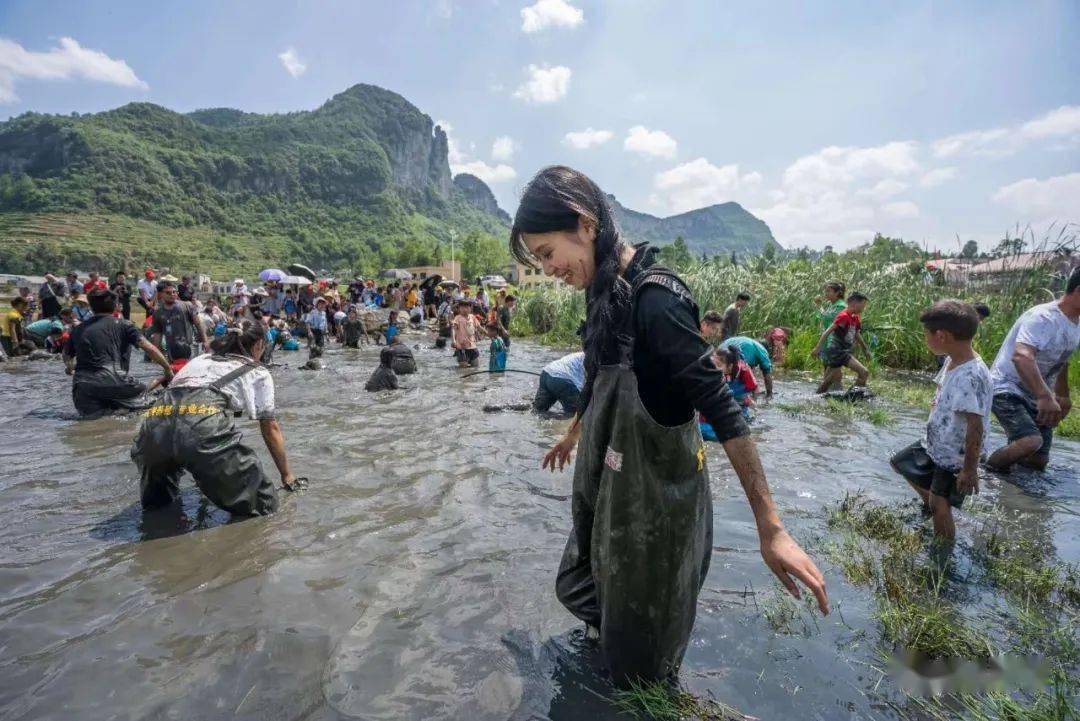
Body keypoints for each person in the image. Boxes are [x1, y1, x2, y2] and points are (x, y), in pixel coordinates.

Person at [511, 165, 826, 685]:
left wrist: (771, 528)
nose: (548, 270)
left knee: (644, 658)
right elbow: (596, 370)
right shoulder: (602, 288)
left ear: (585, 225)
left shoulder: (657, 300)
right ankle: (612, 641)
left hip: (658, 497)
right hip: (610, 475)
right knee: (578, 582)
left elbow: (722, 407)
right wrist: (574, 430)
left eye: (547, 254)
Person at [131, 321, 304, 517]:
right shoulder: (258, 371)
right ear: (258, 345)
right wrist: (287, 475)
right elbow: (270, 427)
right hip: (200, 428)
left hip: (152, 428)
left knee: (157, 509)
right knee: (264, 504)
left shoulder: (199, 360)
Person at [890, 301, 991, 540]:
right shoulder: (951, 359)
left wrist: (969, 469)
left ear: (942, 336)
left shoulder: (971, 375)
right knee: (900, 462)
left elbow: (976, 427)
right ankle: (934, 504)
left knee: (940, 503)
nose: (925, 340)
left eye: (926, 335)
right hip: (935, 443)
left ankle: (943, 553)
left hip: (954, 455)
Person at [987, 267, 1079, 472]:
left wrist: (1062, 395)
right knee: (1029, 442)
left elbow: (1061, 359)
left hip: (1036, 392)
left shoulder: (1076, 322)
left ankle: (1018, 492)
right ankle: (984, 474)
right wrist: (1045, 396)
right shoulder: (1043, 317)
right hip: (1006, 387)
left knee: (1038, 460)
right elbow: (1021, 356)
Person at [63, 288, 173, 417]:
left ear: (91, 307)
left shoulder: (78, 329)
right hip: (115, 380)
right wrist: (167, 368)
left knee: (94, 422)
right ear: (115, 306)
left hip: (82, 387)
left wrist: (70, 368)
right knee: (146, 398)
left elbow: (66, 356)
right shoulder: (124, 325)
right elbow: (148, 347)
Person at [812, 292, 870, 393]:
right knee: (863, 372)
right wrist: (817, 348)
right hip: (836, 352)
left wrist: (865, 350)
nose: (863, 309)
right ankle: (852, 397)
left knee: (828, 381)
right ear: (854, 303)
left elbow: (857, 334)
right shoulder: (844, 316)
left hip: (843, 351)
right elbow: (827, 332)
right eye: (863, 306)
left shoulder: (855, 318)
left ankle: (817, 396)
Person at [151, 281, 209, 364]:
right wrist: (156, 352)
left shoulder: (187, 306)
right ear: (160, 294)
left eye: (174, 292)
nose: (172, 294)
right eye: (168, 293)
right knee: (174, 373)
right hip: (171, 349)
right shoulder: (158, 313)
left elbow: (198, 324)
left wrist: (205, 341)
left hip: (189, 347)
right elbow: (157, 334)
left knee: (190, 372)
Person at [533, 351, 585, 415]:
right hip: (563, 379)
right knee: (576, 414)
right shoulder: (595, 358)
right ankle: (559, 421)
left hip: (546, 372)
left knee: (537, 411)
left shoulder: (581, 354)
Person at [452, 300, 479, 368]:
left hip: (472, 346)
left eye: (466, 307)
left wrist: (487, 334)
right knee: (463, 368)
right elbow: (453, 329)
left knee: (475, 366)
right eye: (462, 307)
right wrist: (453, 340)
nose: (464, 309)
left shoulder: (472, 317)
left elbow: (479, 327)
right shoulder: (457, 318)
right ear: (459, 308)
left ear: (470, 308)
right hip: (461, 347)